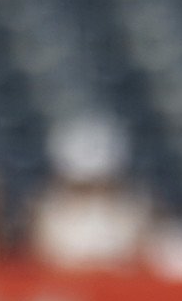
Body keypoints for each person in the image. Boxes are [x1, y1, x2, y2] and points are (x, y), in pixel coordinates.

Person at [30, 115, 153, 271]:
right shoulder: (49, 213)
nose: (94, 201)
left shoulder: (133, 210)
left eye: (104, 187)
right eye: (82, 189)